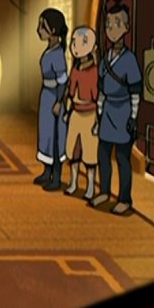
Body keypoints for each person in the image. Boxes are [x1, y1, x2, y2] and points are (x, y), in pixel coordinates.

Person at [93, 4, 143, 214]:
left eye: (117, 24)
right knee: (103, 154)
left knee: (123, 158)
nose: (111, 29)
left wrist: (133, 116)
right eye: (108, 25)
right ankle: (104, 191)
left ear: (126, 27)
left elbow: (135, 91)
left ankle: (124, 199)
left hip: (123, 111)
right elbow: (101, 89)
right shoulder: (105, 58)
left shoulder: (129, 59)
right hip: (107, 111)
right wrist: (99, 113)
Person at [62, 26, 100, 200]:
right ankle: (73, 182)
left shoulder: (94, 71)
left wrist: (98, 120)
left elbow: (97, 97)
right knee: (73, 150)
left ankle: (91, 186)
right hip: (75, 113)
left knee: (90, 154)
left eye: (82, 43)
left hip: (90, 114)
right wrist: (68, 110)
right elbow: (71, 92)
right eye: (74, 42)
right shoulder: (75, 70)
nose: (76, 46)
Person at [34, 8, 70, 192]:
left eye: (43, 26)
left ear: (53, 30)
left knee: (56, 137)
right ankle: (46, 170)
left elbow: (63, 81)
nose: (39, 30)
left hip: (55, 97)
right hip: (46, 96)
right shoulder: (50, 50)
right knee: (46, 134)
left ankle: (56, 176)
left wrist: (59, 102)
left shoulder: (57, 54)